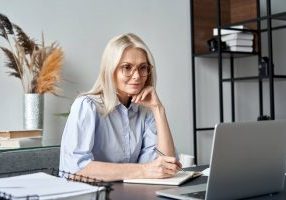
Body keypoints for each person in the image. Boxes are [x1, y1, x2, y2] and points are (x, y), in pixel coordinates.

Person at [59, 33, 181, 181]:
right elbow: (75, 169)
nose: (136, 76)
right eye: (127, 67)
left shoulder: (145, 111)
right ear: (111, 70)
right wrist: (143, 171)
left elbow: (164, 168)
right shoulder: (87, 106)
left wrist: (158, 109)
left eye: (143, 68)